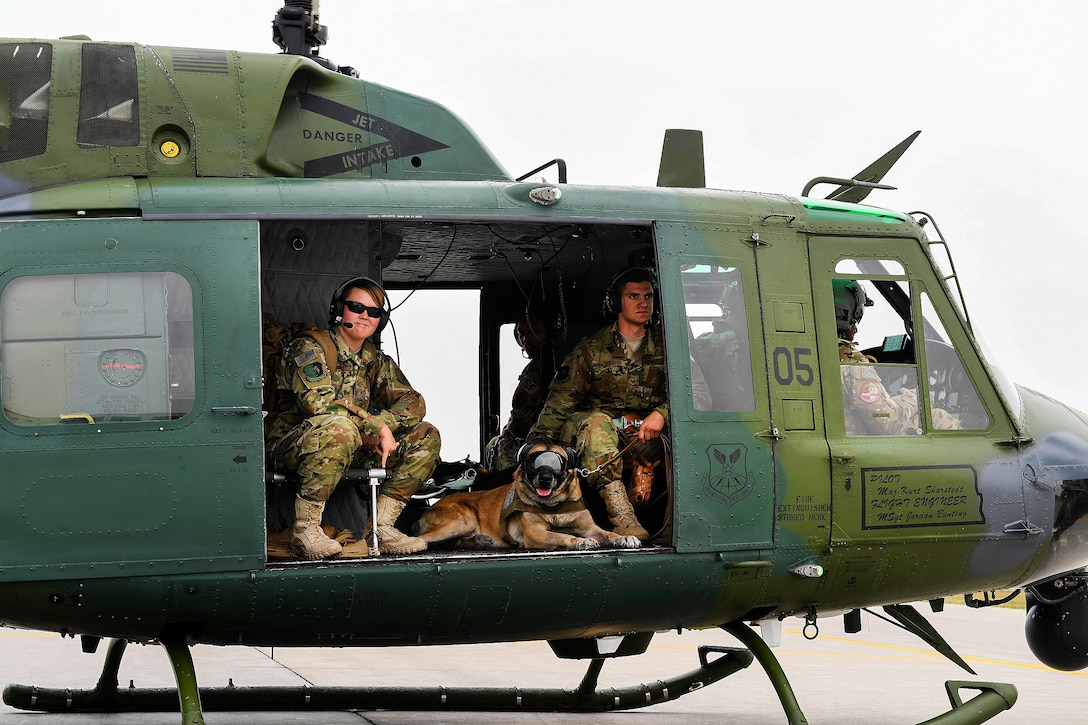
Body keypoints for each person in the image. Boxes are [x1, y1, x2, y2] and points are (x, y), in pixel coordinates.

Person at [267, 277, 441, 559]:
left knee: (426, 436)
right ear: (339, 309)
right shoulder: (310, 347)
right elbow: (317, 404)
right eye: (356, 307)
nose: (364, 316)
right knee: (340, 428)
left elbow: (412, 402)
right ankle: (306, 531)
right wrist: (373, 425)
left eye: (373, 312)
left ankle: (381, 528)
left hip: (352, 443)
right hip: (294, 443)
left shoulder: (375, 359)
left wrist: (384, 426)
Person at [526, 267, 667, 542]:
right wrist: (535, 450)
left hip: (644, 437)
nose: (643, 303)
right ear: (616, 303)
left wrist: (661, 414)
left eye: (648, 296)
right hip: (594, 438)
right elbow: (558, 405)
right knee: (595, 423)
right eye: (634, 296)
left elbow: (698, 393)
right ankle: (623, 518)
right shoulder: (591, 350)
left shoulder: (667, 347)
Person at [834, 279, 958, 435]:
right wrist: (917, 398)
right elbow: (886, 421)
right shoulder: (851, 361)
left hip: (841, 436)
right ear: (843, 314)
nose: (855, 329)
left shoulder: (816, 354)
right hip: (856, 448)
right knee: (938, 417)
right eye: (855, 318)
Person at [485, 312, 552, 471]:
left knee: (495, 446)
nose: (526, 338)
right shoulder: (539, 365)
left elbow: (519, 420)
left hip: (535, 439)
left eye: (534, 331)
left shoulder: (539, 369)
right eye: (522, 334)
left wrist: (503, 439)